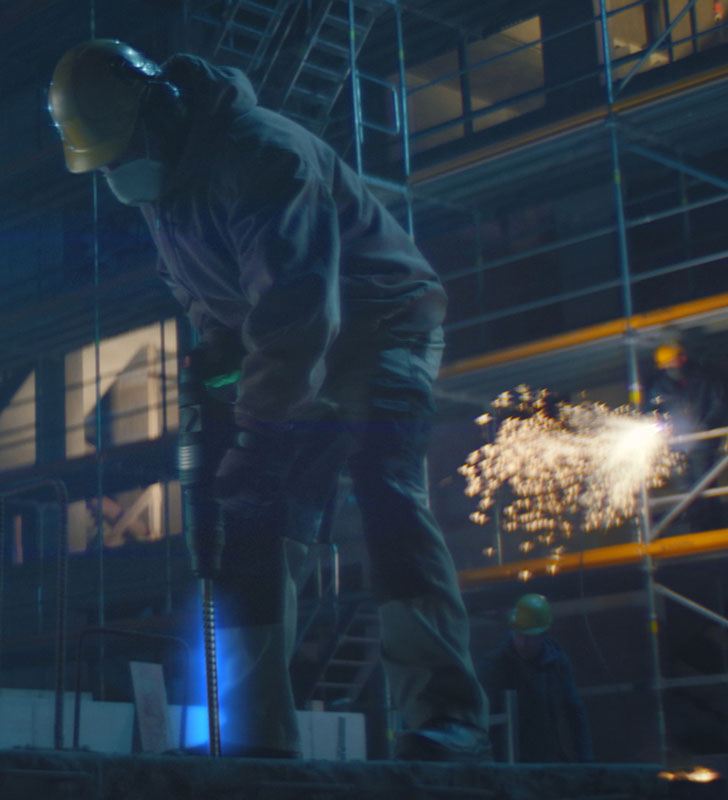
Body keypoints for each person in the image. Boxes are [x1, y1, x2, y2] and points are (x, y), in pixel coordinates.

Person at [47, 40, 490, 761]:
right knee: (252, 522)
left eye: (123, 156)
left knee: (386, 490)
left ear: (162, 112)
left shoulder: (264, 157)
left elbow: (297, 315)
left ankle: (448, 717)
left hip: (382, 326)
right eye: (108, 166)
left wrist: (253, 438)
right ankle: (256, 734)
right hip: (293, 343)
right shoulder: (163, 187)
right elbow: (211, 303)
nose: (119, 179)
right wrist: (214, 374)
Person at [478, 594, 593, 763]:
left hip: (548, 757)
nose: (523, 643)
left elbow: (574, 711)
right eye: (519, 635)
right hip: (508, 761)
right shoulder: (495, 666)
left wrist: (585, 759)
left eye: (530, 637)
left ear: (544, 635)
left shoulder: (556, 663)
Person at [643, 339, 728, 534]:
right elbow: (651, 414)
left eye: (674, 361)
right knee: (686, 489)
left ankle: (712, 527)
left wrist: (705, 427)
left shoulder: (704, 379)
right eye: (668, 364)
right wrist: (663, 430)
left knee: (704, 485)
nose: (672, 367)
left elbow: (719, 404)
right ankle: (698, 528)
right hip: (676, 447)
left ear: (683, 358)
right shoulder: (659, 389)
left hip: (702, 444)